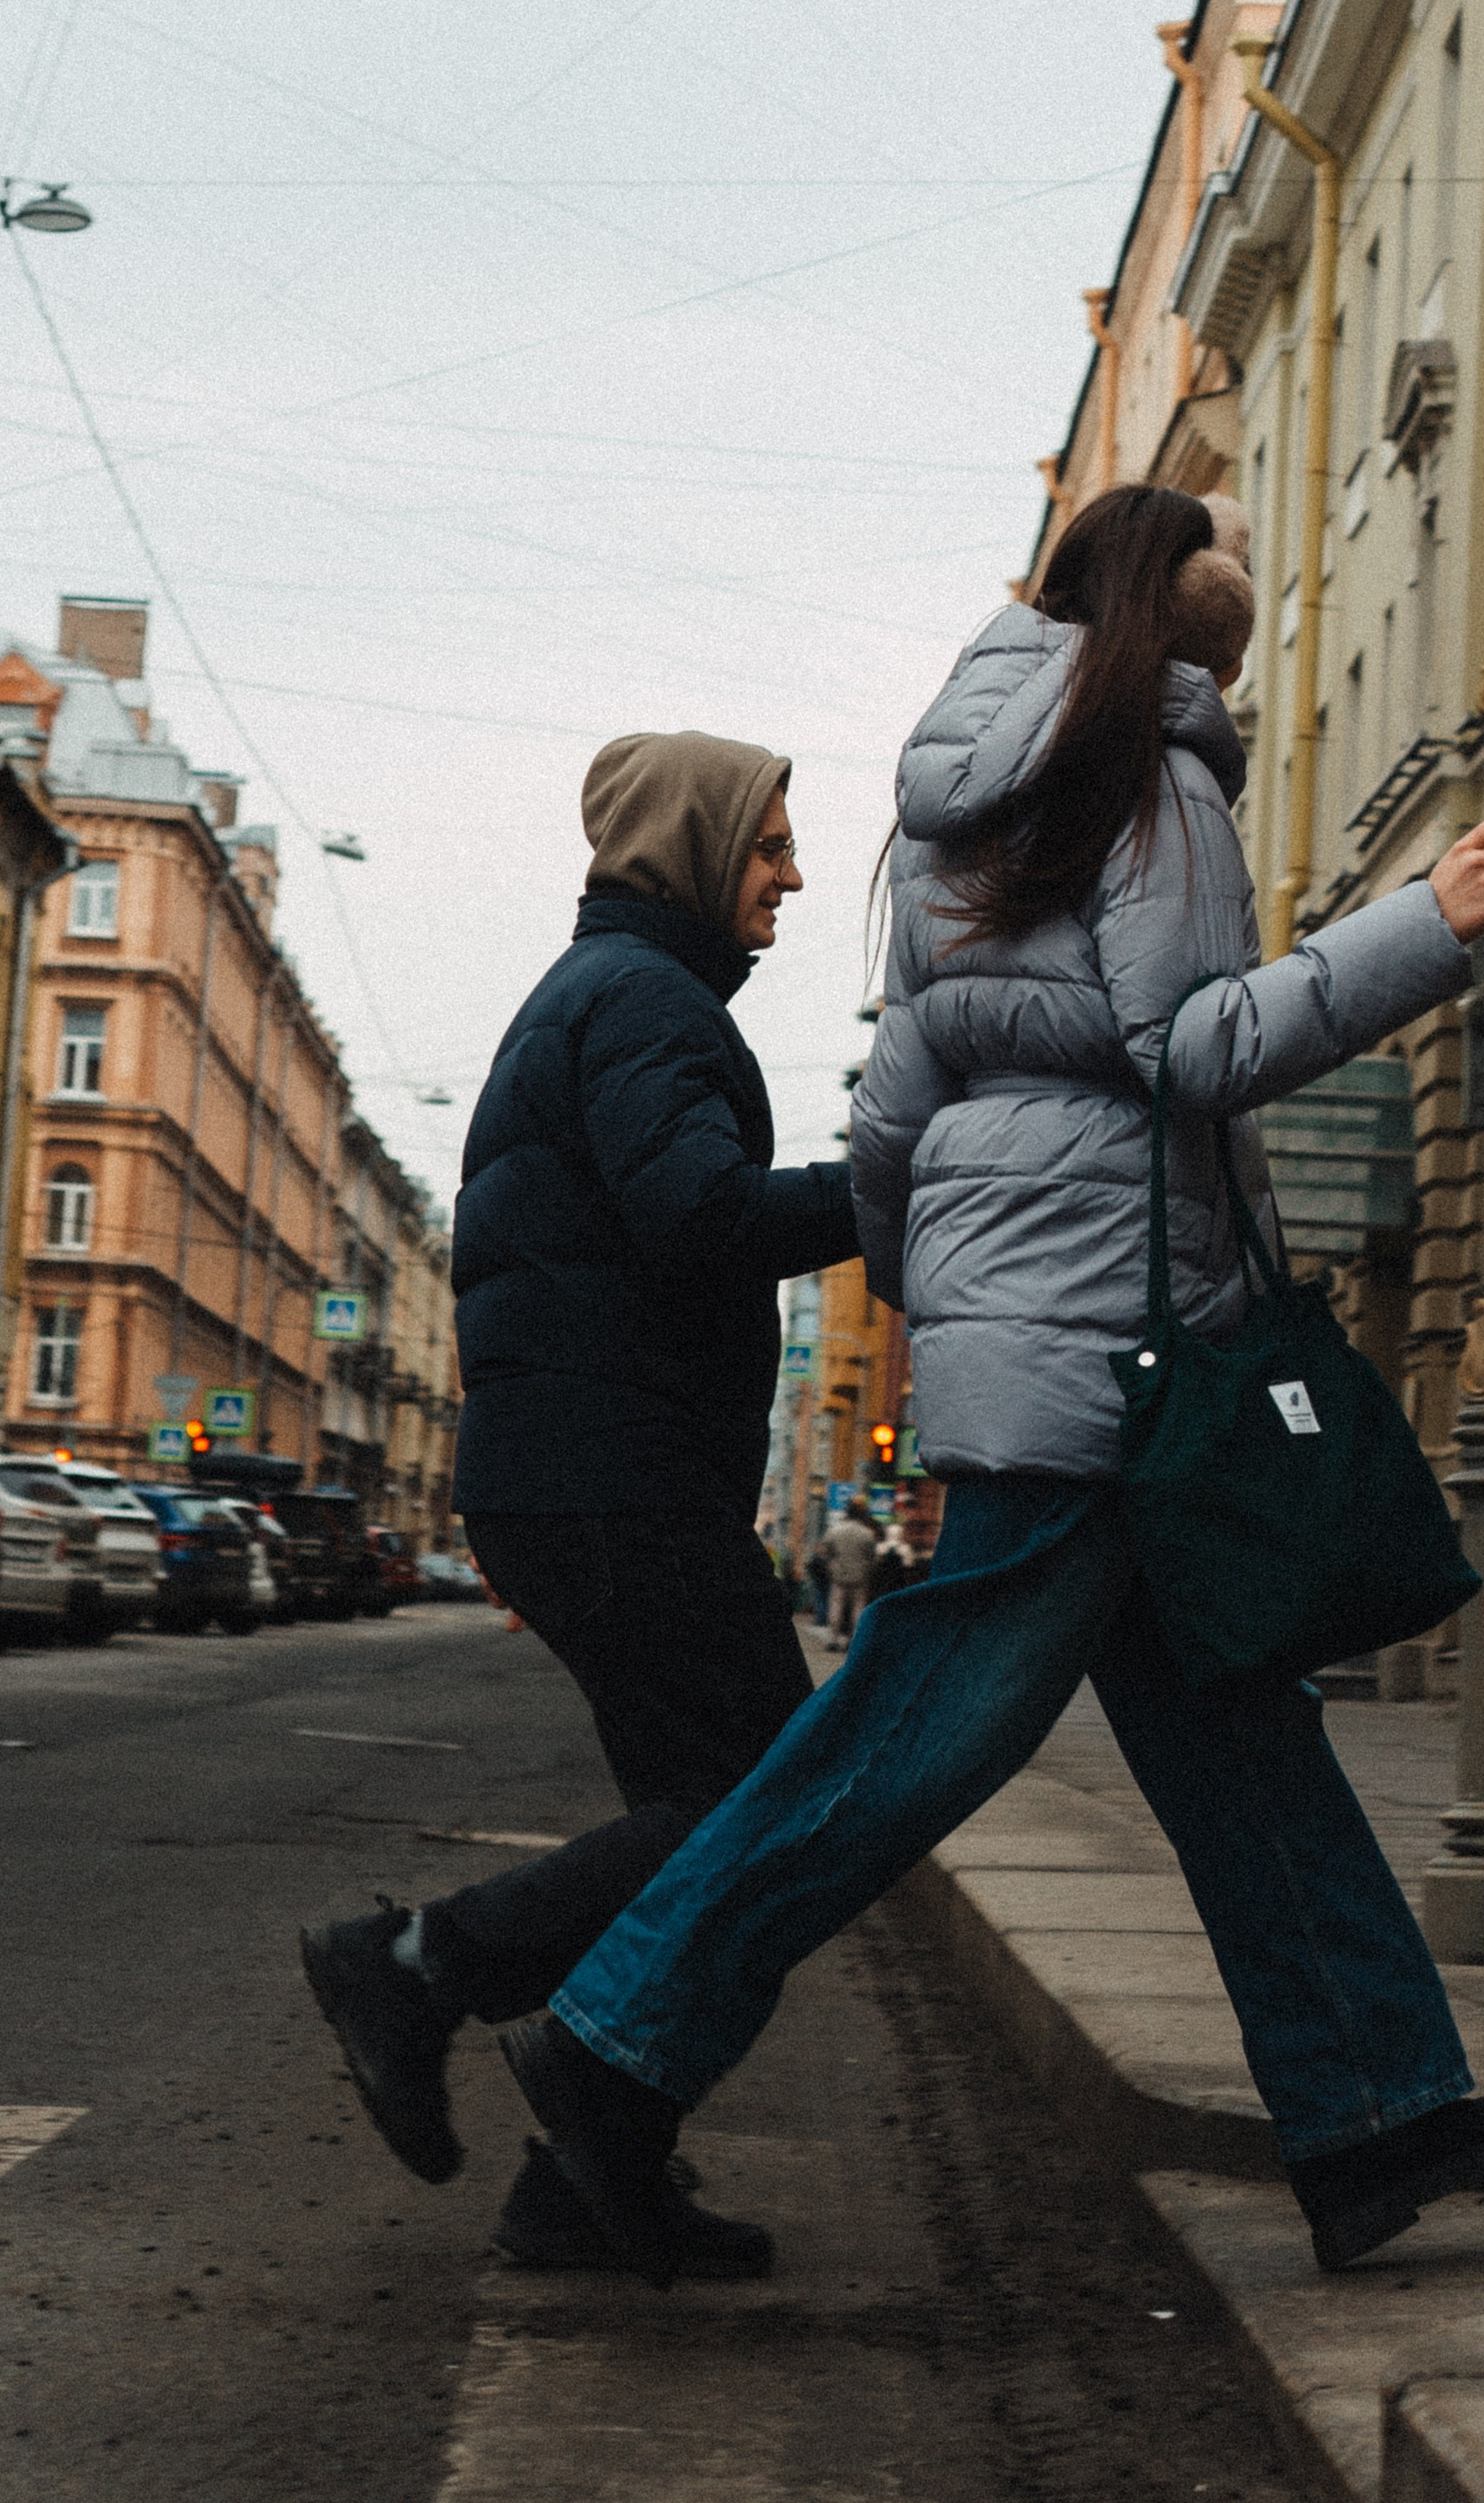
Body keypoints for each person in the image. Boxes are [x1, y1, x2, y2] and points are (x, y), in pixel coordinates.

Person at [494, 488, 1484, 2285]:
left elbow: (899, 1096)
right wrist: (1420, 925)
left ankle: (1372, 2103)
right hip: (1120, 1338)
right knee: (917, 1730)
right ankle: (608, 2047)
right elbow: (1198, 1046)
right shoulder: (1150, 776)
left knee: (1236, 1731)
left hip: (1032, 1311)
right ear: (1192, 625)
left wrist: (938, 1300)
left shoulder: (954, 800)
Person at [301, 729, 856, 2277]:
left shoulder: (614, 997)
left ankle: (586, 2170)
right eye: (767, 846)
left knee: (699, 1825)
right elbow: (698, 1218)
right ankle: (416, 1966)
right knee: (767, 1807)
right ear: (691, 847)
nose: (792, 874)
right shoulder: (647, 1007)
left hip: (589, 1480)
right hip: (617, 1485)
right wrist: (893, 1182)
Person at [822, 1496, 879, 1647]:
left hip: (838, 1574)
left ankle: (832, 1639)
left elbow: (826, 1551)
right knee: (858, 1608)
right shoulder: (867, 1533)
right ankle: (853, 1640)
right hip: (860, 1575)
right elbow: (872, 1555)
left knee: (836, 1606)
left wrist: (831, 1566)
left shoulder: (835, 1530)